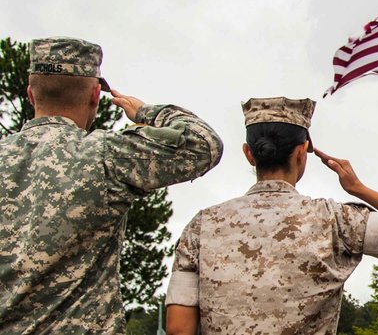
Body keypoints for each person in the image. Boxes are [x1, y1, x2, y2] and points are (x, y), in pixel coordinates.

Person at [164, 96, 378, 335]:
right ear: (301, 153)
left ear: (249, 154)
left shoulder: (202, 225)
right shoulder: (335, 219)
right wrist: (358, 188)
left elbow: (179, 329)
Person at [0, 37, 224, 335]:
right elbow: (203, 144)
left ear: (30, 94)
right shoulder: (104, 155)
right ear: (96, 95)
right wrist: (147, 113)